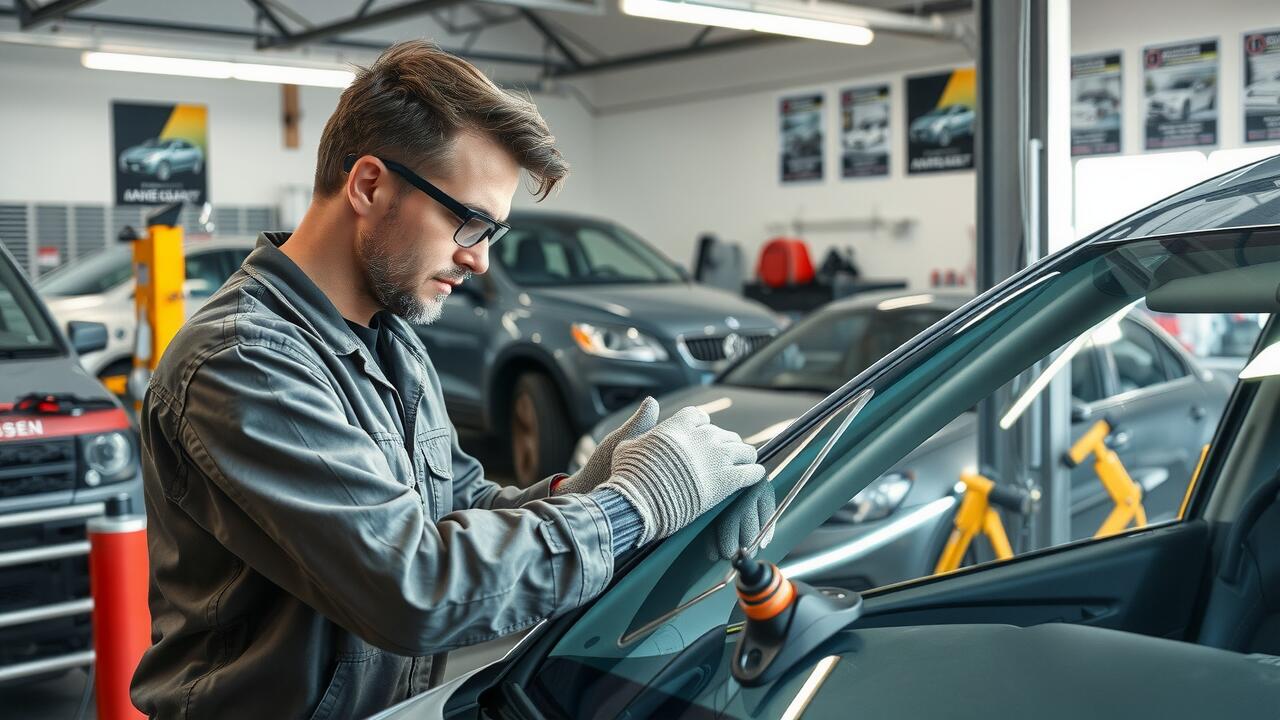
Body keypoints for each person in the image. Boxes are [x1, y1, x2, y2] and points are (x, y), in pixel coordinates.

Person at [128, 40, 771, 719]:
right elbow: (412, 587)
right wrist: (631, 506)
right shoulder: (243, 361)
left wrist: (579, 491)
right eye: (469, 222)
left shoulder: (392, 339)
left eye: (493, 232)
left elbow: (452, 509)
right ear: (369, 185)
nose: (480, 261)